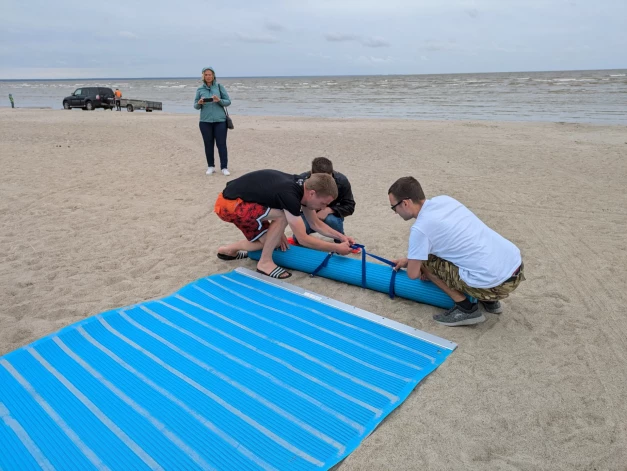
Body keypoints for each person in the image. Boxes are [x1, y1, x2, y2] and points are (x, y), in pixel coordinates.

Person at [389, 176, 525, 326]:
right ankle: (491, 302)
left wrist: (416, 265)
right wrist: (408, 260)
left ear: (406, 203)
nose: (395, 212)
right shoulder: (445, 200)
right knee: (455, 250)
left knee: (426, 263)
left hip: (495, 285)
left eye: (394, 207)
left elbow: (413, 274)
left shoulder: (420, 229)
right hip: (515, 267)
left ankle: (466, 309)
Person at [214, 169, 355, 279]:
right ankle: (265, 262)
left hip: (242, 202)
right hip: (230, 205)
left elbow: (315, 223)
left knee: (272, 242)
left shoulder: (303, 187)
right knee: (281, 218)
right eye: (323, 203)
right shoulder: (291, 195)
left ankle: (228, 250)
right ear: (312, 193)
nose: (323, 208)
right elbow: (303, 239)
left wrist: (341, 237)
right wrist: (336, 248)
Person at [291, 157, 356, 248]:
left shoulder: (341, 181)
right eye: (320, 179)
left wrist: (329, 210)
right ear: (311, 174)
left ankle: (343, 242)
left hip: (331, 214)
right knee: (299, 236)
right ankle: (297, 240)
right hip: (307, 213)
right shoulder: (302, 181)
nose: (325, 182)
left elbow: (350, 206)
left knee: (332, 220)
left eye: (329, 179)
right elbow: (290, 209)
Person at [194, 67, 231, 176]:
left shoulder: (219, 87)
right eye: (206, 75)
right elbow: (195, 106)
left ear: (213, 75)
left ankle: (224, 167)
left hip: (220, 121)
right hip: (205, 121)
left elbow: (228, 102)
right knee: (208, 145)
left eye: (210, 74)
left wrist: (219, 100)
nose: (208, 76)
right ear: (203, 76)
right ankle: (211, 166)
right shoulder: (200, 89)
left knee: (221, 144)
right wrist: (200, 102)